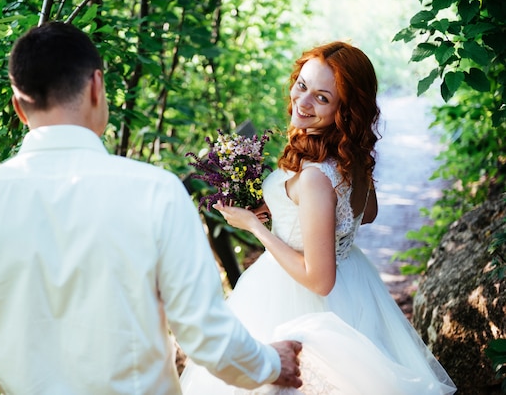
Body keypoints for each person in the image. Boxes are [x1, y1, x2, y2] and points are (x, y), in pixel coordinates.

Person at [0, 21, 304, 395]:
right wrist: (272, 364)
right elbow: (205, 334)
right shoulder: (155, 193)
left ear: (19, 109)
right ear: (96, 86)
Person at [180, 42, 457, 394]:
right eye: (302, 85)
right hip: (353, 282)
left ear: (345, 108)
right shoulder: (351, 155)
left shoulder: (314, 176)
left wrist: (254, 227)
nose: (303, 101)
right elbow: (366, 214)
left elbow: (320, 280)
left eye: (322, 98)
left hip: (302, 297)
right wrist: (289, 211)